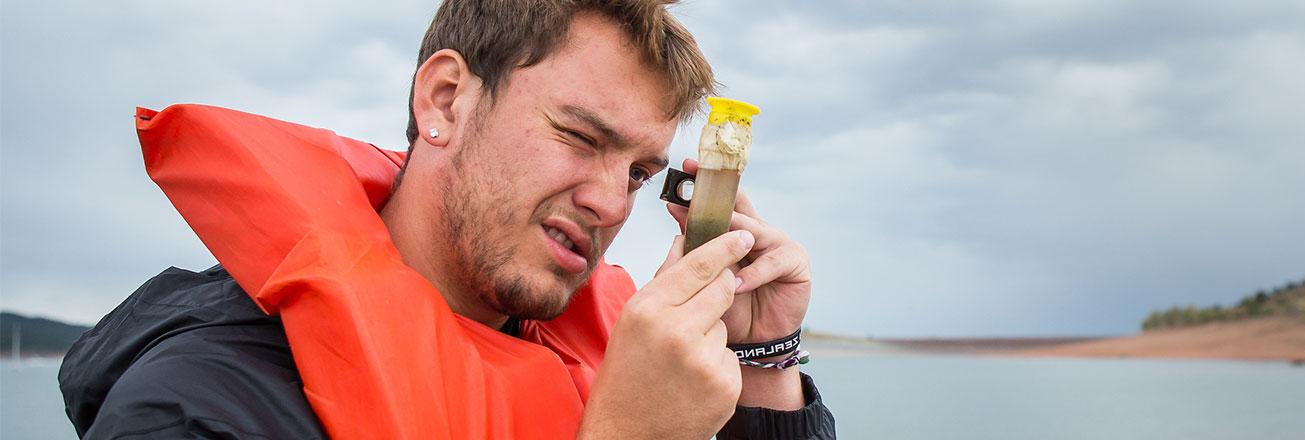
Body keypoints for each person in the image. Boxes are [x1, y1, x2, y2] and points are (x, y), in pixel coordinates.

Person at [57, 1, 835, 438]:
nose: (610, 203)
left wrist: (764, 360)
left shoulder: (622, 371)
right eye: (578, 136)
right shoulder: (199, 407)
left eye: (637, 171)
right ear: (445, 101)